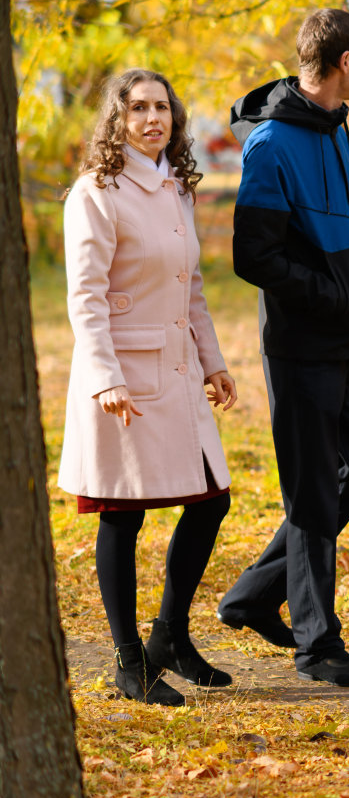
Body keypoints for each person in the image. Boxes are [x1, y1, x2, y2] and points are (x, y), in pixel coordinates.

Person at [215, 8, 349, 688]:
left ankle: (253, 596)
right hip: (300, 343)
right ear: (343, 61)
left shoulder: (334, 131)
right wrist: (325, 295)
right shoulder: (273, 144)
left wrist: (347, 308)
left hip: (341, 340)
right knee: (313, 494)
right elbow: (251, 254)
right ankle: (318, 646)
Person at [59, 69, 239, 707]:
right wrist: (105, 378)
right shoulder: (97, 192)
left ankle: (171, 637)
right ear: (118, 118)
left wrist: (214, 361)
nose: (152, 118)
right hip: (124, 380)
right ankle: (129, 662)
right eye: (138, 108)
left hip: (179, 372)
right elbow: (85, 297)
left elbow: (191, 289)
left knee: (211, 499)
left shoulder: (176, 189)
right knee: (122, 515)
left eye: (162, 107)